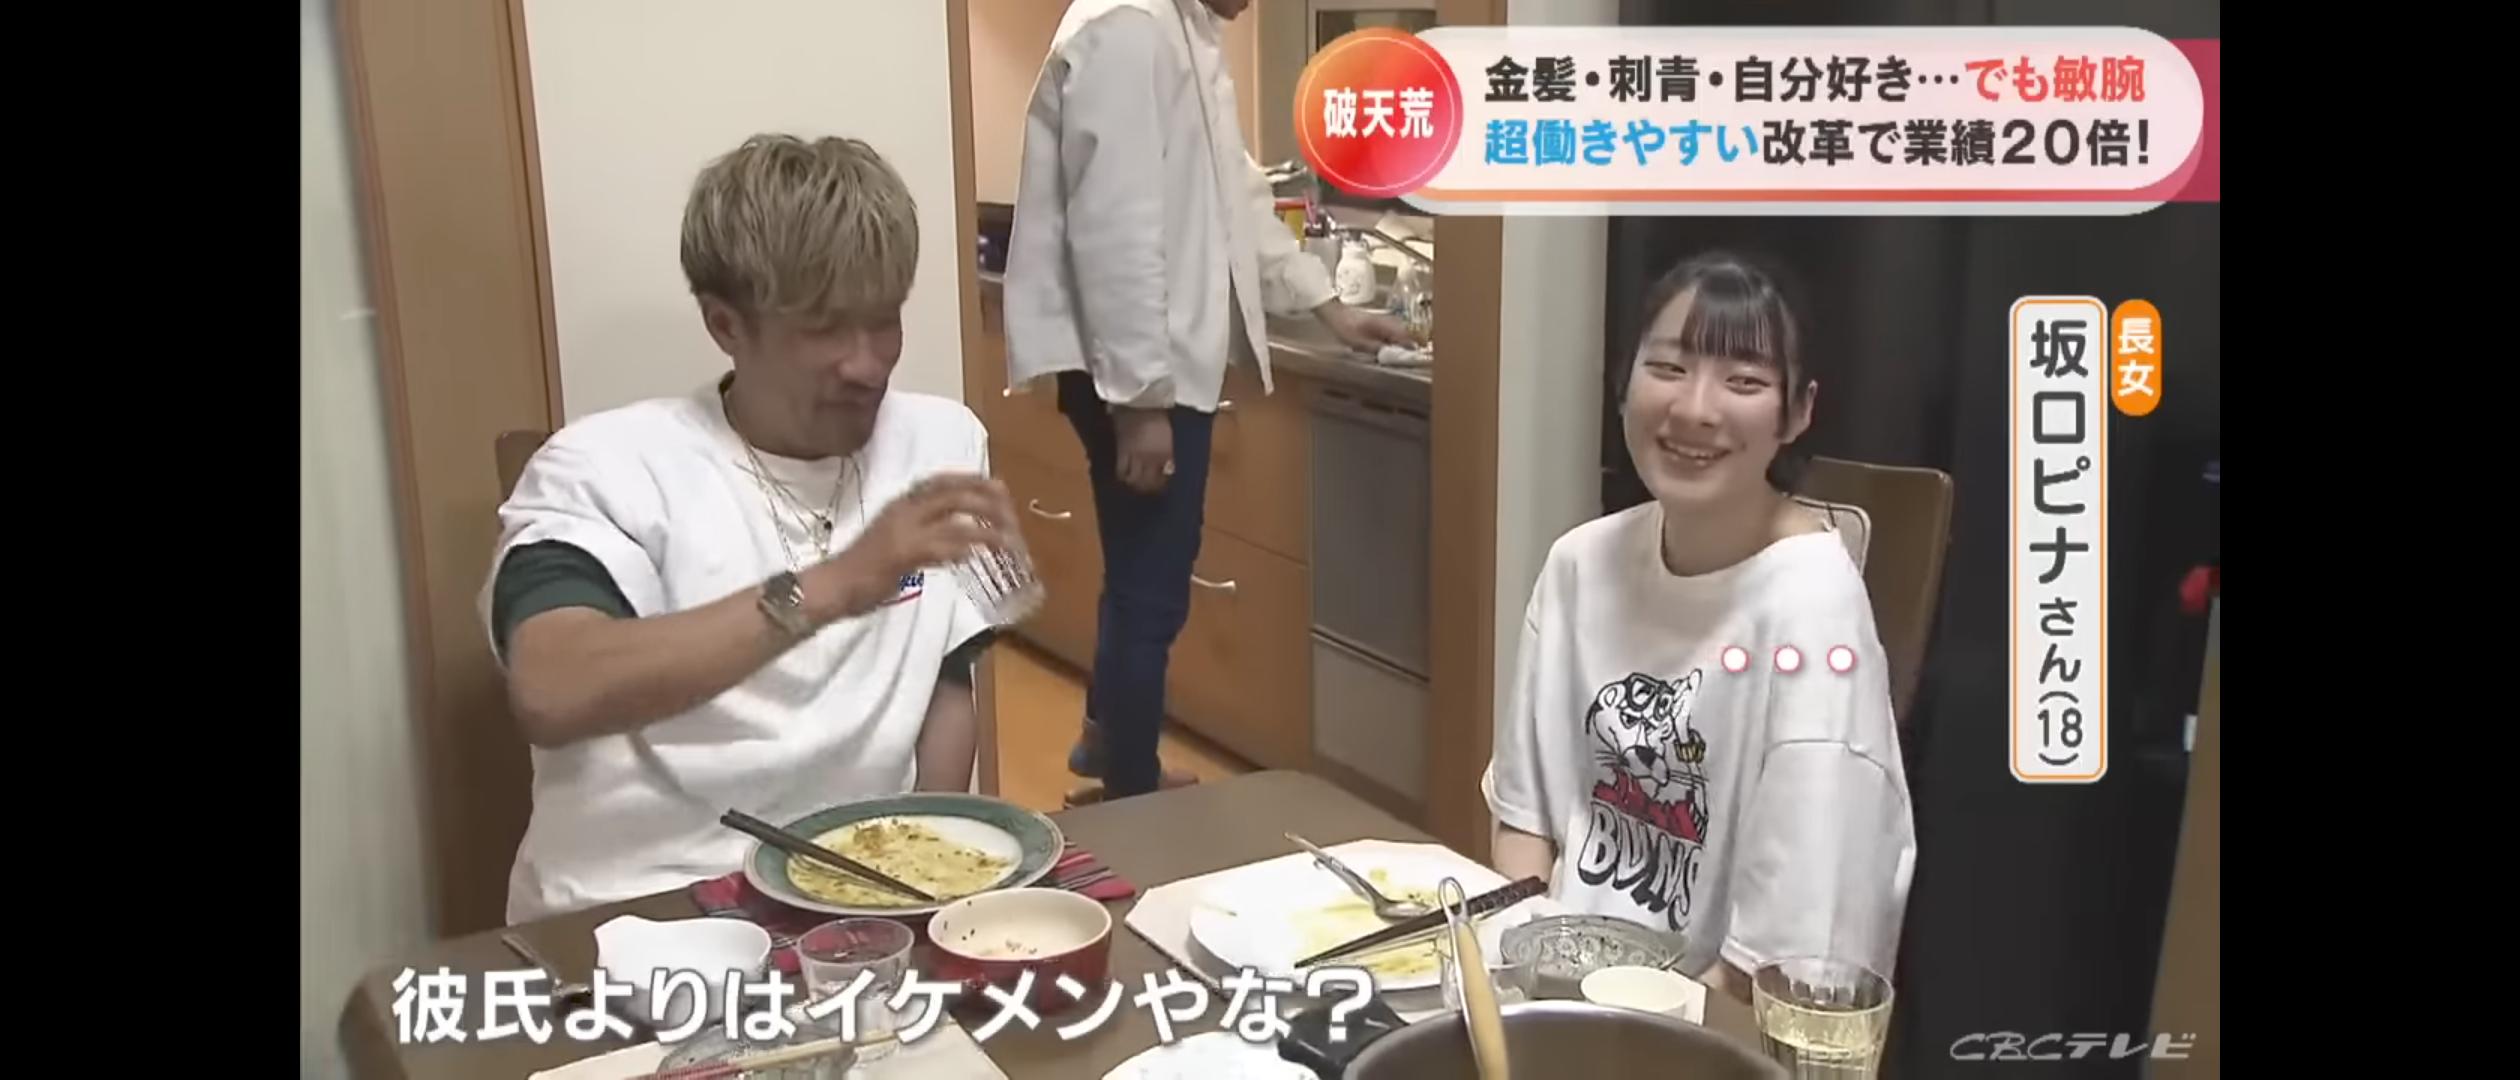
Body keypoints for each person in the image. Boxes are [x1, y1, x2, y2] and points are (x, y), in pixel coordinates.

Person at [481, 133, 1018, 923]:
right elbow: (552, 689)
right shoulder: (601, 469)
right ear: (725, 324)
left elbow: (944, 678)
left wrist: (926, 887)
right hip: (634, 909)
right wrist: (835, 585)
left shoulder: (943, 442)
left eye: (884, 321)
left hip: (862, 902)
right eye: (823, 329)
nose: (868, 364)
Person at [1003, 0, 1414, 805]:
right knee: (1152, 586)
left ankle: (1110, 737)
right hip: (1137, 371)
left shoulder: (1182, 33)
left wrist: (1328, 305)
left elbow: (1238, 198)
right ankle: (1132, 794)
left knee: (1140, 569)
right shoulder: (1128, 29)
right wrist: (1141, 402)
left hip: (1154, 365)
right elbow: (1116, 230)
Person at [1481, 252, 1916, 1001]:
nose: (1694, 410)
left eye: (1744, 382)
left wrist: (1634, 1028)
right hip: (1554, 1003)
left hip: (1701, 1024)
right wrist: (1536, 992)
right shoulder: (1580, 564)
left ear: (1799, 411)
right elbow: (1524, 826)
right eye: (1668, 368)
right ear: (1624, 381)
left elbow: (1785, 958)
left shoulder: (1813, 607)